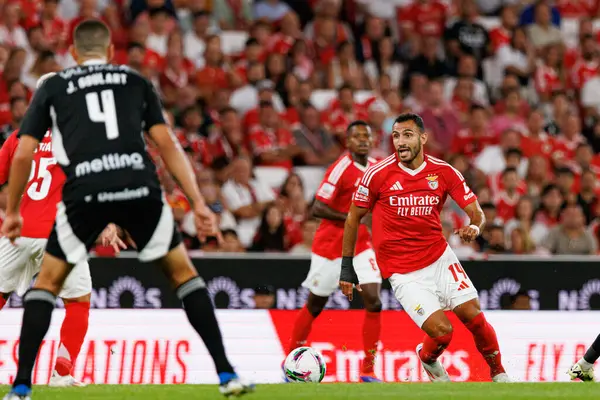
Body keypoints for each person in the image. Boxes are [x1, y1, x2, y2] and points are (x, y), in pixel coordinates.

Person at [1, 20, 253, 400]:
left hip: (80, 197)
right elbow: (167, 144)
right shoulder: (135, 82)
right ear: (112, 53)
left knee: (47, 285)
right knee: (184, 276)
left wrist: (14, 209)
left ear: (73, 54)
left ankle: (21, 388)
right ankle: (226, 373)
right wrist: (197, 201)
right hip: (138, 187)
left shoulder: (58, 90)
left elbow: (24, 153)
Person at [340, 113, 510, 383]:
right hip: (402, 271)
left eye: (407, 135)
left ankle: (499, 374)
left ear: (422, 138)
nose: (400, 142)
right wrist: (347, 268)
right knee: (443, 333)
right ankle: (427, 358)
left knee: (474, 317)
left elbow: (477, 213)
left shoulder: (443, 171)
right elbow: (353, 217)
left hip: (439, 257)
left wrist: (474, 228)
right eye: (396, 136)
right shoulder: (378, 174)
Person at [0, 75, 126, 388]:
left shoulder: (19, 137)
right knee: (78, 301)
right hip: (59, 235)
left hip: (18, 233)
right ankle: (62, 371)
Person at [288, 120, 383, 383]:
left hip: (361, 244)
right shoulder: (341, 168)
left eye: (367, 135)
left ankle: (368, 370)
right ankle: (290, 361)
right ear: (348, 142)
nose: (363, 139)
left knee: (374, 300)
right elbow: (317, 207)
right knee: (315, 303)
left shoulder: (377, 168)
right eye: (357, 136)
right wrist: (351, 217)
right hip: (331, 246)